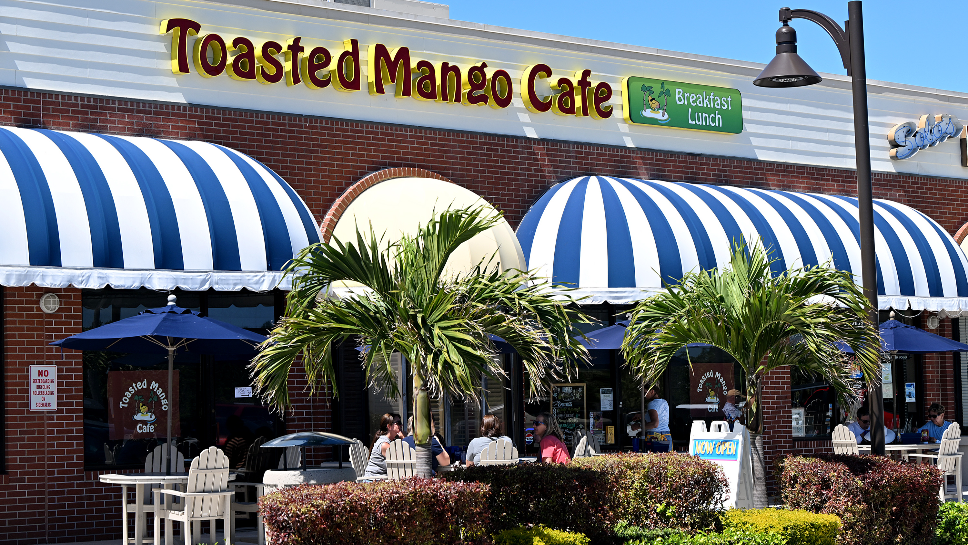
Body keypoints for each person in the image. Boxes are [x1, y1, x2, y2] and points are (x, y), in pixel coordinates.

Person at [363, 413, 404, 478]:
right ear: (389, 427)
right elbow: (403, 458)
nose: (401, 425)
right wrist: (404, 438)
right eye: (398, 423)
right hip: (373, 480)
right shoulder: (384, 444)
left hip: (382, 479)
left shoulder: (390, 442)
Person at [642, 387, 671, 451]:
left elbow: (654, 424)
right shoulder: (664, 402)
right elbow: (659, 415)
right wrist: (644, 415)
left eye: (645, 393)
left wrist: (639, 426)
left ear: (652, 391)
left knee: (653, 460)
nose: (644, 395)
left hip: (655, 436)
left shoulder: (651, 404)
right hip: (666, 435)